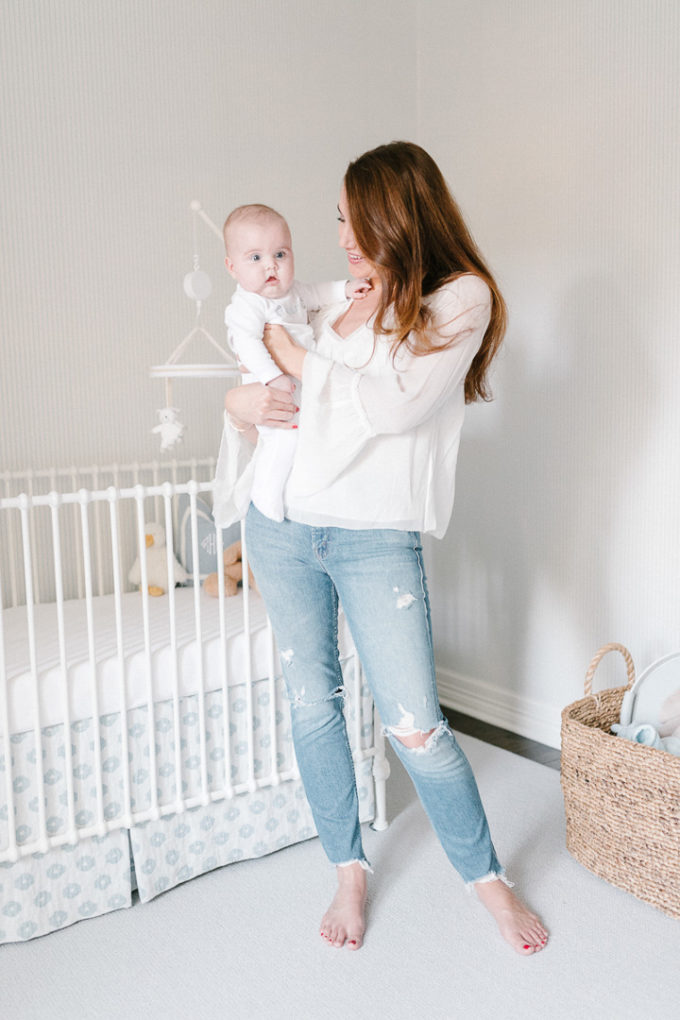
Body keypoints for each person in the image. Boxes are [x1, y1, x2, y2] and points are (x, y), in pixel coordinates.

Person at [214, 142, 549, 956]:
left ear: (397, 215)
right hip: (282, 525)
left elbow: (393, 408)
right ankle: (348, 867)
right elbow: (263, 400)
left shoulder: (457, 298)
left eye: (351, 219)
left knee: (416, 727)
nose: (339, 238)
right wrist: (241, 399)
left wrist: (294, 360)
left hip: (372, 540)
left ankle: (486, 877)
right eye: (335, 221)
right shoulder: (333, 304)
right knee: (312, 707)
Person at [222, 203, 369, 521]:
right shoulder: (247, 304)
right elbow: (247, 344)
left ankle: (287, 493)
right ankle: (263, 496)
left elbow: (318, 293)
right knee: (284, 439)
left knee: (303, 438)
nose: (270, 267)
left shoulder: (293, 293)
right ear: (232, 267)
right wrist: (272, 377)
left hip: (299, 384)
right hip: (271, 390)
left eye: (280, 254)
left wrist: (345, 289)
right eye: (255, 258)